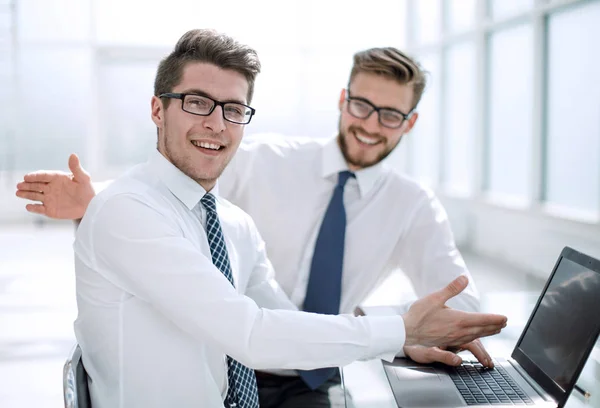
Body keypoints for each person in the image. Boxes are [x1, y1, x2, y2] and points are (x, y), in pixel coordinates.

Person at [15, 38, 504, 408]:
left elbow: (278, 324)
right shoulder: (131, 209)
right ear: (156, 109)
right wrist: (400, 331)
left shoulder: (233, 222)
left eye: (232, 110)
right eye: (197, 102)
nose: (216, 123)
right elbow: (248, 330)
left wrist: (405, 334)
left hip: (293, 364)